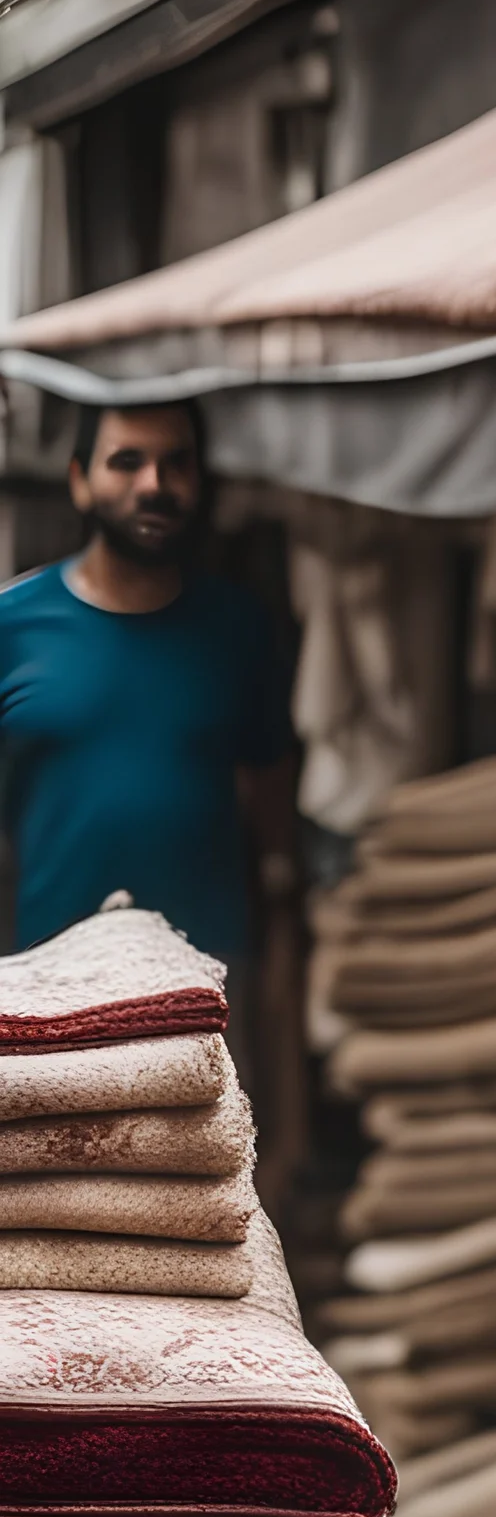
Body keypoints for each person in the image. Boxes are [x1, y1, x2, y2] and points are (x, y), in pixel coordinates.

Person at [0, 399, 297, 1086]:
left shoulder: (238, 630)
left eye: (176, 463)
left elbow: (273, 809)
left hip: (209, 990)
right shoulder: (13, 626)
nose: (154, 484)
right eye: (126, 461)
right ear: (79, 480)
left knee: (211, 1181)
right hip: (46, 988)